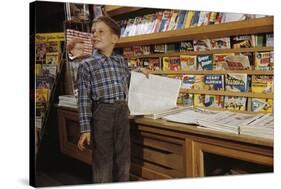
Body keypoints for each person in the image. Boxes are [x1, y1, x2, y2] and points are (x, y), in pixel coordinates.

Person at [77, 16, 149, 183]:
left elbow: (129, 77)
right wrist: (85, 129)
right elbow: (83, 100)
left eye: (101, 31)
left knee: (123, 157)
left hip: (122, 112)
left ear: (114, 38)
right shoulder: (86, 65)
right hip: (102, 113)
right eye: (93, 32)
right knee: (103, 160)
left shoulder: (120, 61)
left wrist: (140, 71)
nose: (95, 35)